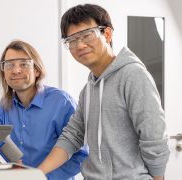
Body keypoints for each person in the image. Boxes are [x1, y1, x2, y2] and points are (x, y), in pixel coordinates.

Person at [38, 4, 170, 180]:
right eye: (71, 40)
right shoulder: (88, 89)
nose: (80, 45)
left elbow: (153, 136)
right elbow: (72, 136)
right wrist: (37, 173)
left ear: (107, 34)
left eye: (86, 35)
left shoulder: (133, 75)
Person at [0, 40, 88, 180]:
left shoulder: (61, 102)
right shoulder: (4, 108)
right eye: (9, 65)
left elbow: (81, 154)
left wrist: (41, 178)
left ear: (36, 70)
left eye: (23, 64)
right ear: (3, 72)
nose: (16, 70)